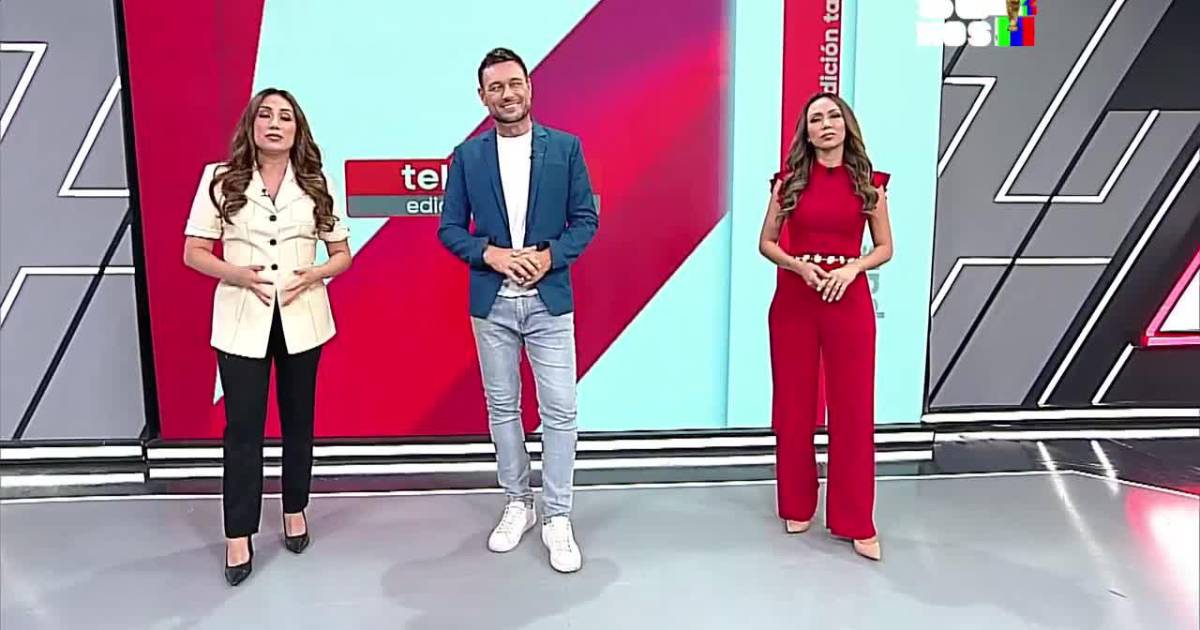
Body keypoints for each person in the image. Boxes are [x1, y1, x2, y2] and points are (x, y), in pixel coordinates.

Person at [437, 47, 599, 573]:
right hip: (492, 304)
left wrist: (548, 257)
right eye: (496, 87)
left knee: (561, 410)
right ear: (482, 96)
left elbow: (585, 220)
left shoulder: (566, 148)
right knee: (503, 407)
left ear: (529, 87)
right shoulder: (468, 157)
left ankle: (557, 515)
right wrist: (492, 255)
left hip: (550, 301)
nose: (507, 94)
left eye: (515, 84)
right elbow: (449, 229)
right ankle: (517, 503)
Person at [182, 88, 351, 585]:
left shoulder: (317, 182)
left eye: (285, 117)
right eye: (266, 115)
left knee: (299, 420)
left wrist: (316, 273)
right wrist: (236, 273)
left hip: (303, 316)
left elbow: (342, 255)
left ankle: (295, 508)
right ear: (251, 125)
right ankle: (238, 533)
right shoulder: (220, 179)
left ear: (298, 130)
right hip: (242, 318)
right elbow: (193, 251)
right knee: (243, 429)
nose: (275, 124)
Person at [758, 92, 894, 561]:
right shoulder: (788, 183)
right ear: (808, 133)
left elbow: (885, 247)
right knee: (793, 406)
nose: (826, 124)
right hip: (795, 301)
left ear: (846, 125)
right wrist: (799, 266)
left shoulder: (868, 183)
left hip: (847, 300)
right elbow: (767, 242)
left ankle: (856, 520)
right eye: (816, 119)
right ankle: (796, 503)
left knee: (852, 410)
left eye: (833, 115)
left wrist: (853, 268)